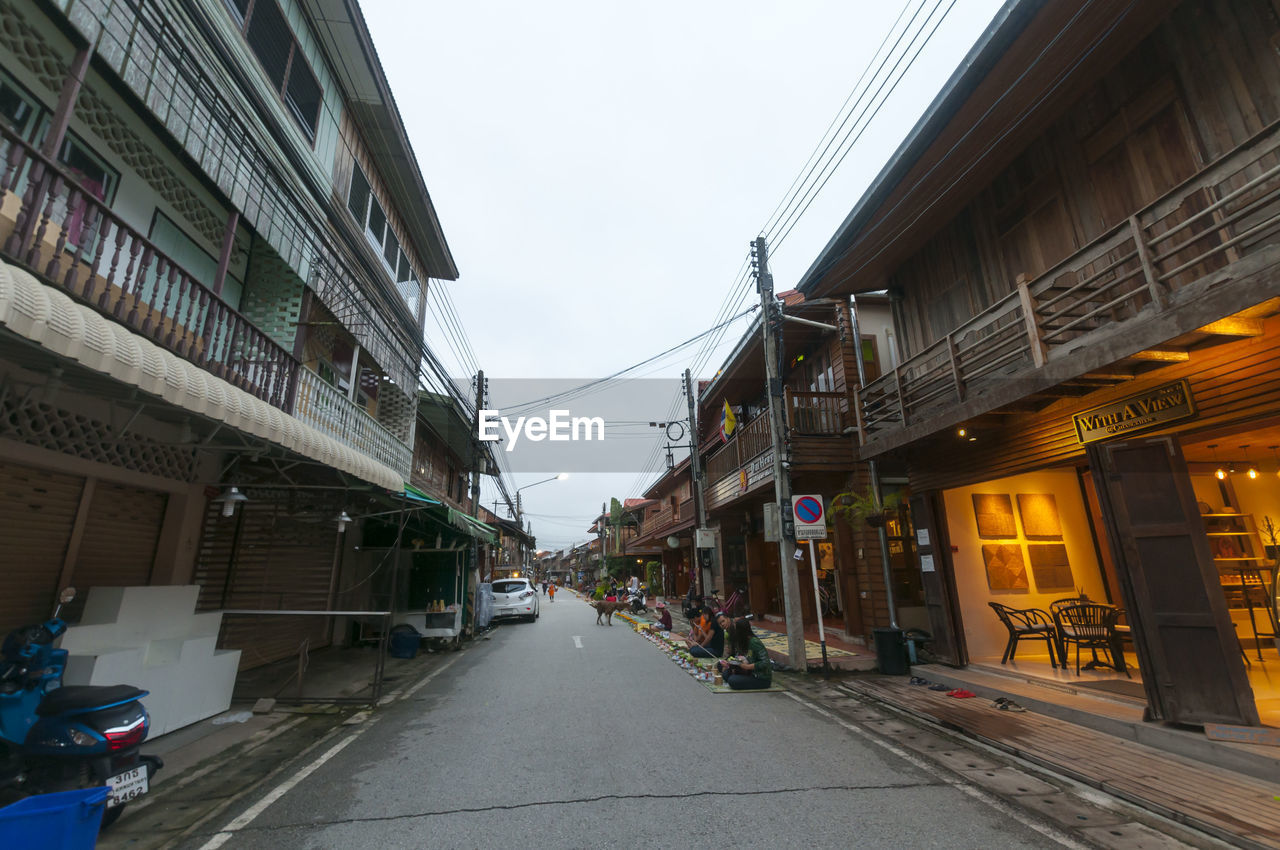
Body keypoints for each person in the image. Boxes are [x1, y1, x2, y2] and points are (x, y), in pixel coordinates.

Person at [718, 618, 772, 690]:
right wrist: (729, 664)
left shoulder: (754, 642)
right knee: (725, 674)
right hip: (748, 672)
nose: (735, 632)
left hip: (760, 677)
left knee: (732, 680)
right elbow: (740, 657)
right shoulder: (743, 641)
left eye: (736, 630)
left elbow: (765, 662)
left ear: (741, 631)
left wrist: (746, 666)